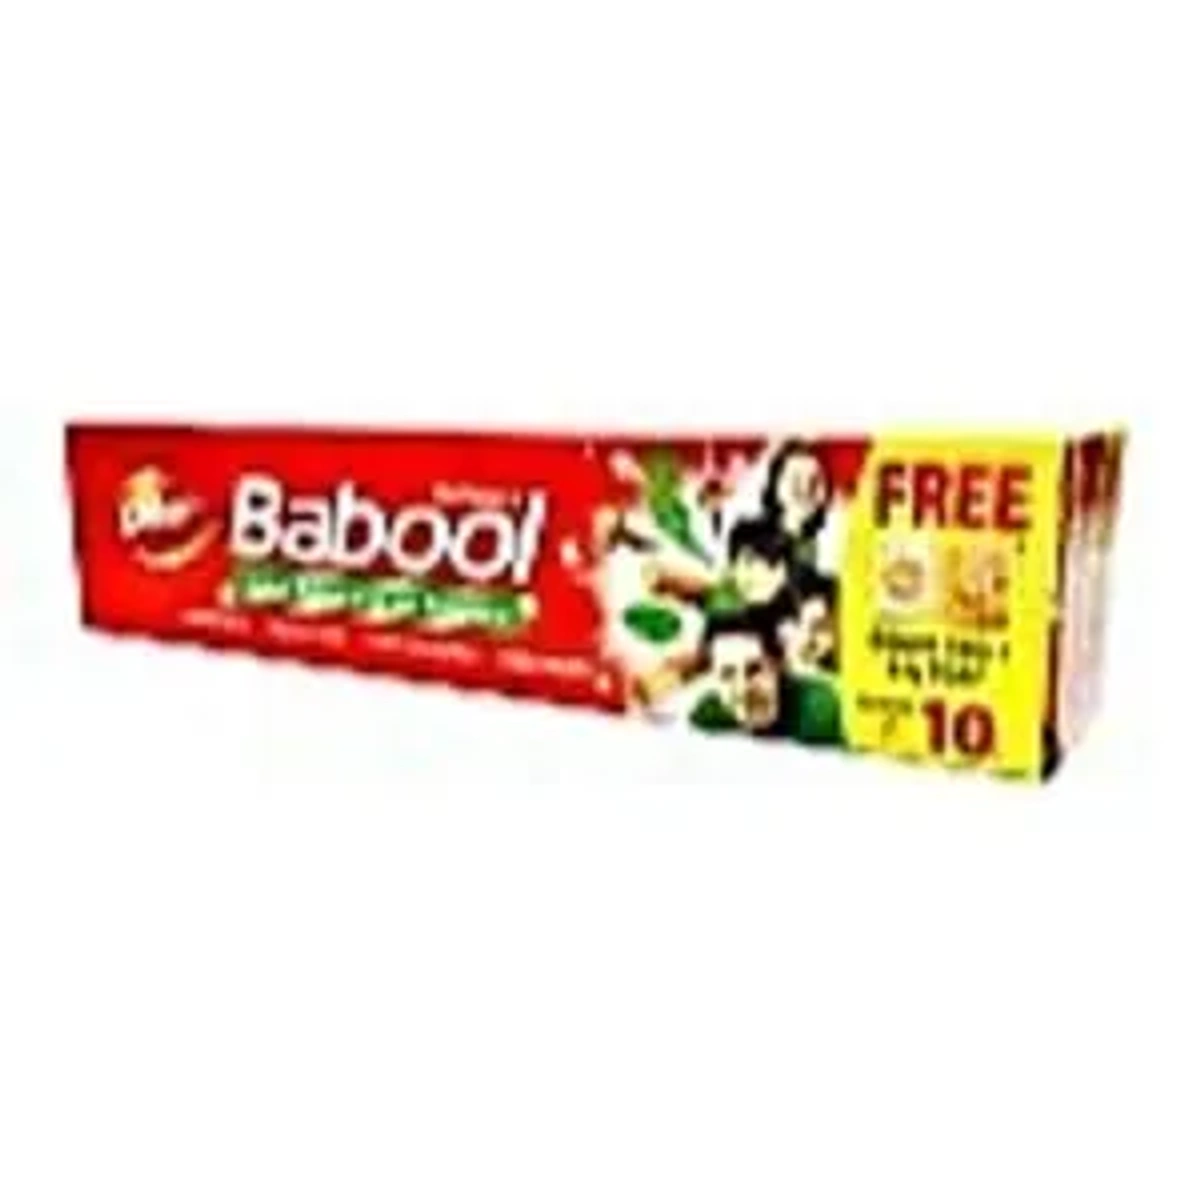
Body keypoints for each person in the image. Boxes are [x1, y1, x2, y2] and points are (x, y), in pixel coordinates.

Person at [689, 607, 844, 745]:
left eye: (754, 670)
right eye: (727, 674)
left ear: (781, 665)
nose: (742, 688)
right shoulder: (713, 709)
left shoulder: (821, 711)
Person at [760, 439, 832, 582]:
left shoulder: (805, 464)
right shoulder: (809, 463)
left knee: (801, 561)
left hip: (799, 523)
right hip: (793, 522)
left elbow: (819, 493)